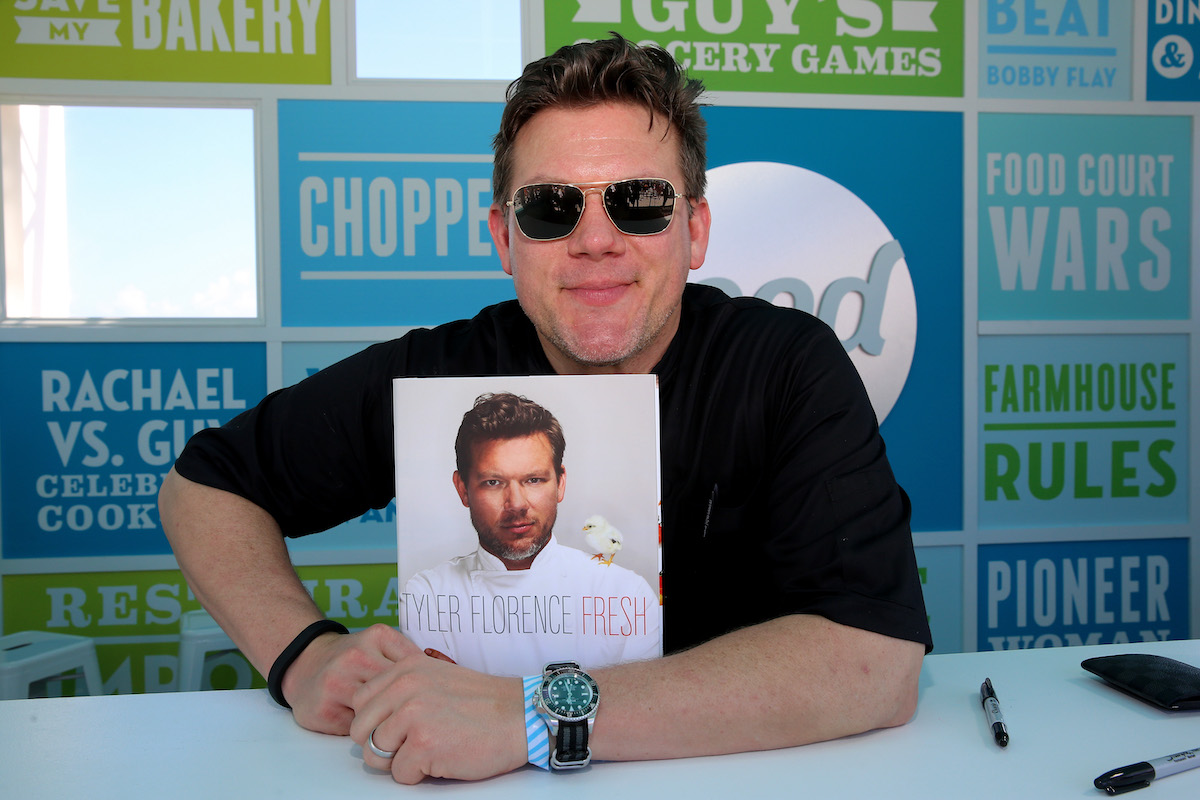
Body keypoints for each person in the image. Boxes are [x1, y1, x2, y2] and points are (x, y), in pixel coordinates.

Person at [159, 34, 931, 784]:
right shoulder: (438, 374)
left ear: (694, 229)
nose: (595, 239)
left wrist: (531, 718)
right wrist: (302, 654)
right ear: (504, 237)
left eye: (639, 202)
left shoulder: (785, 365)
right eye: (551, 208)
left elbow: (874, 663)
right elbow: (204, 487)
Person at [400, 392, 661, 675]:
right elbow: (431, 713)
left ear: (560, 483)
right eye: (493, 482)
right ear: (463, 488)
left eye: (534, 480)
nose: (517, 504)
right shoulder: (426, 594)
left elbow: (638, 712)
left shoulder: (625, 593)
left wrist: (469, 693)